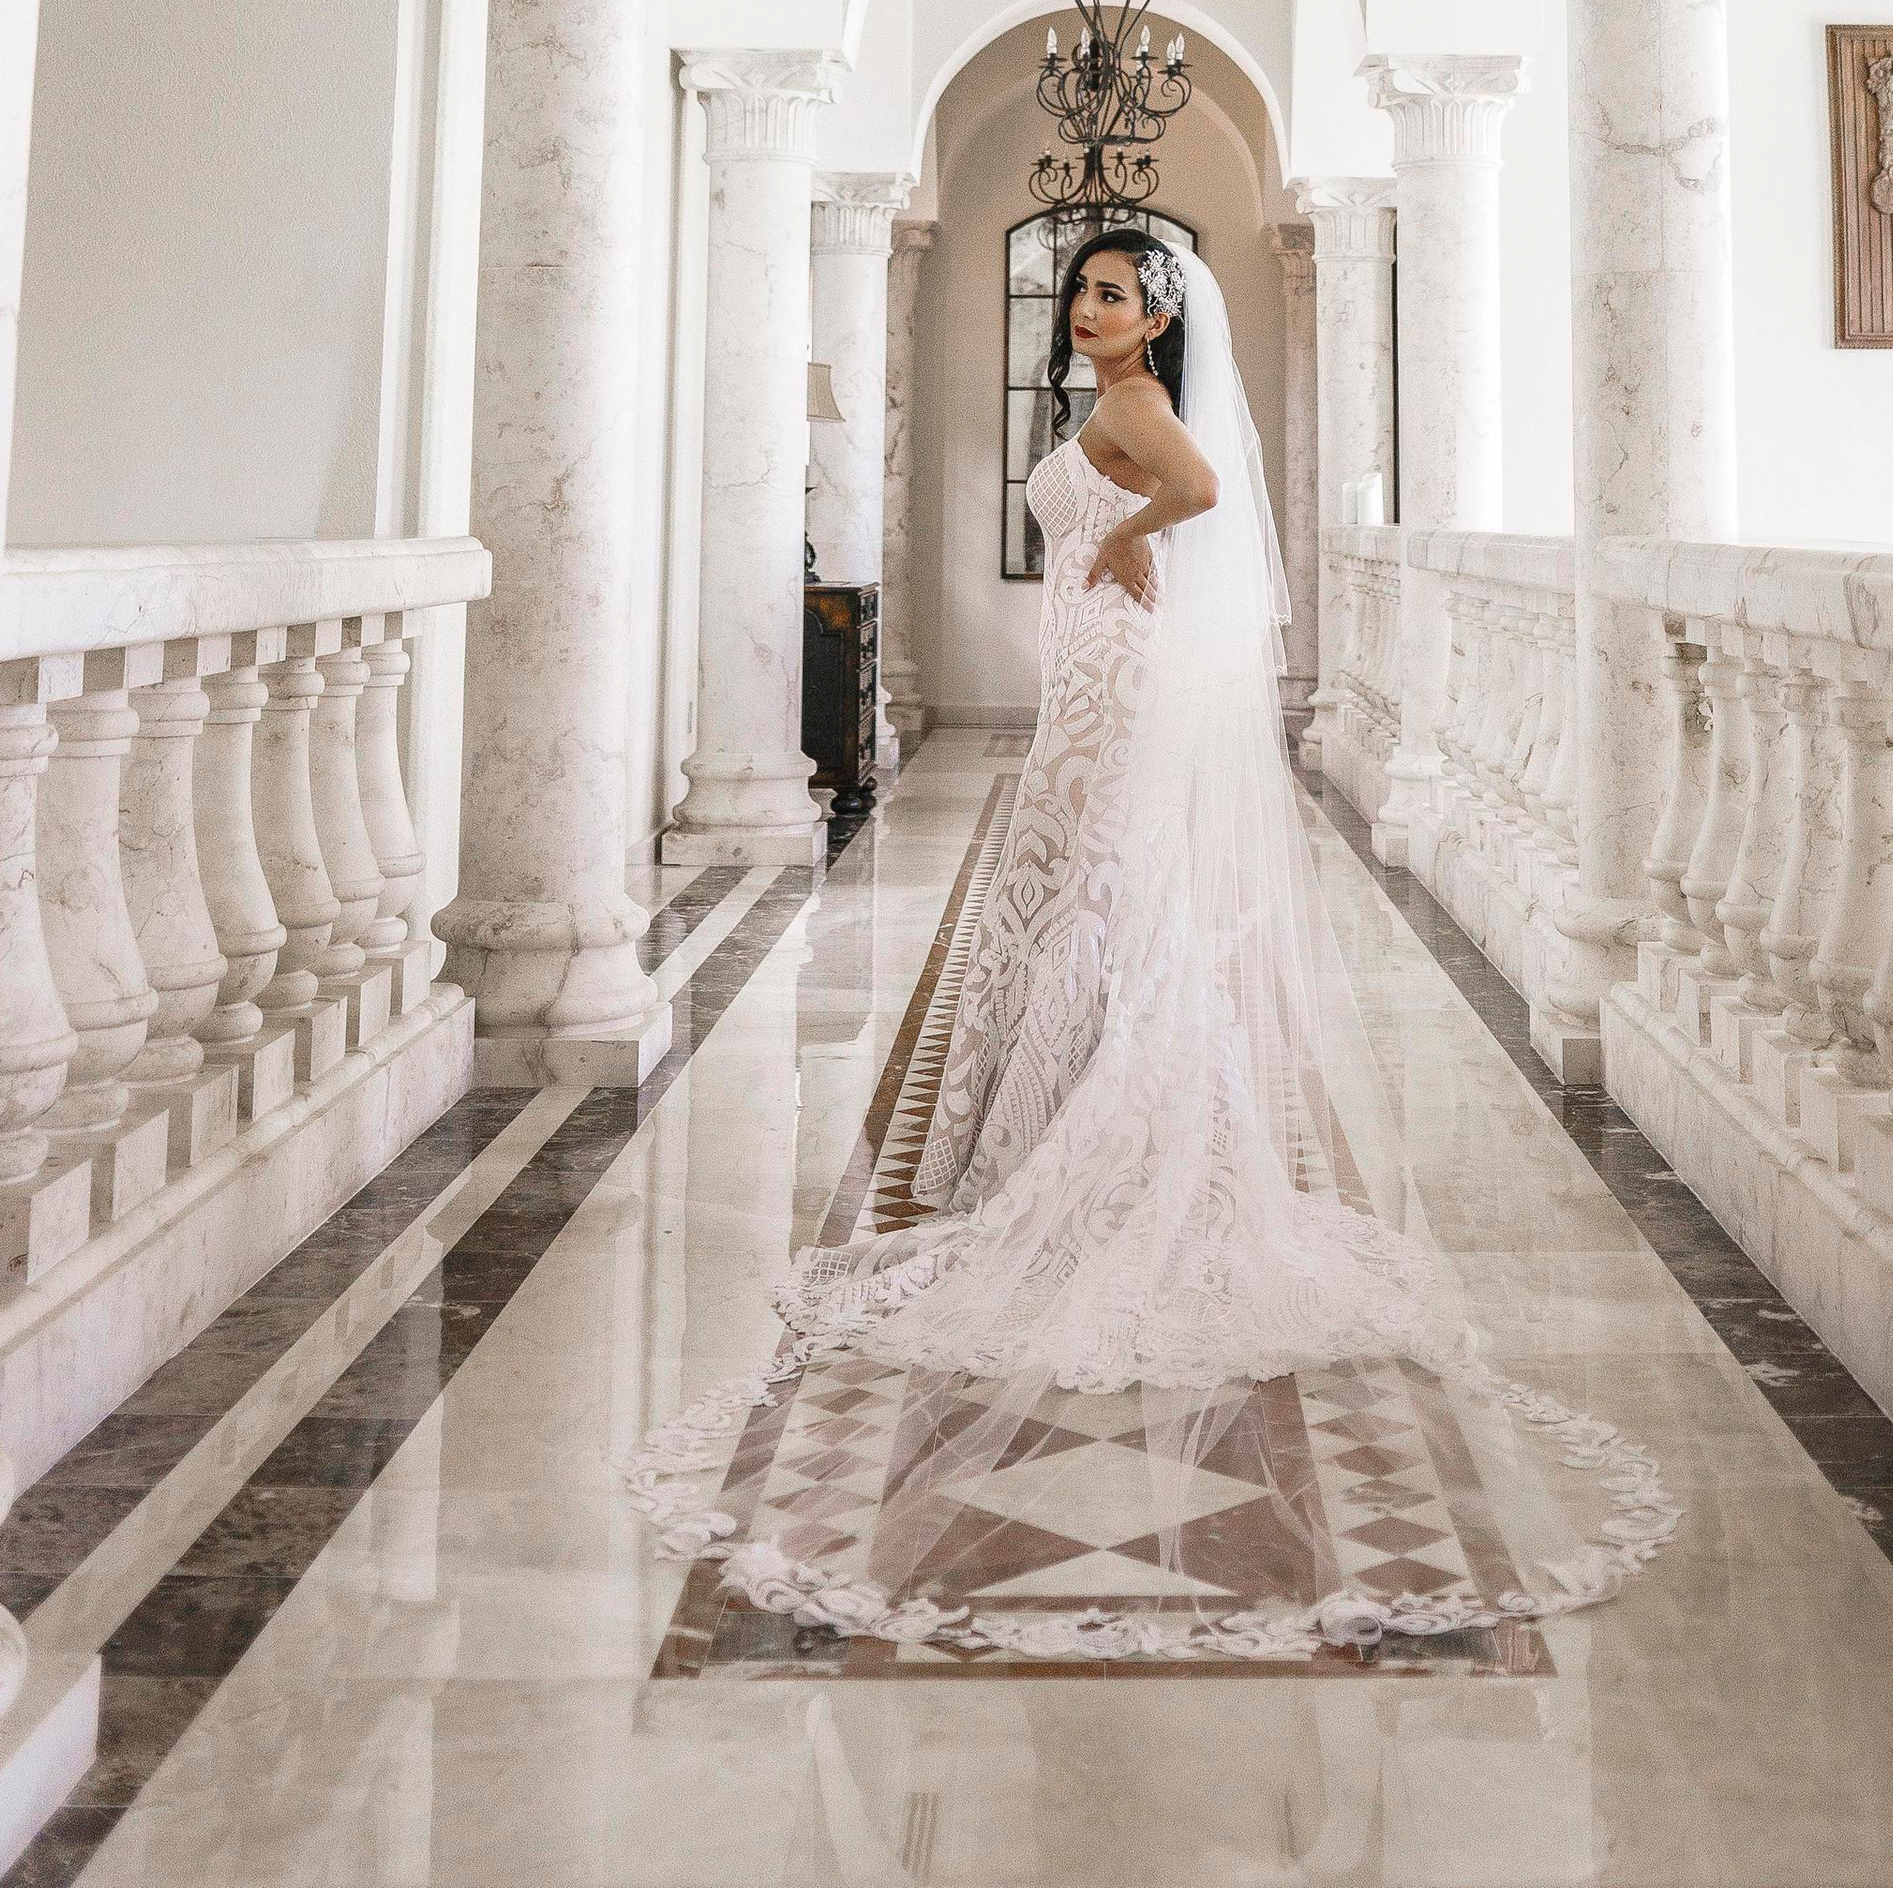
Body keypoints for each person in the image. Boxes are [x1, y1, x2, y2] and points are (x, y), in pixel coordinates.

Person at [625, 229, 1674, 1661]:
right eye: (1082, 289)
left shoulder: (1134, 409)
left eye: (1113, 293)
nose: (1088, 306)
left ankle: (1107, 1129)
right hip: (1097, 666)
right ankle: (1072, 1114)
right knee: (1089, 888)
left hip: (1116, 679)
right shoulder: (1104, 403)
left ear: (1158, 318)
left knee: (1103, 888)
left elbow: (1196, 490)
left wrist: (1119, 539)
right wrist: (1111, 554)